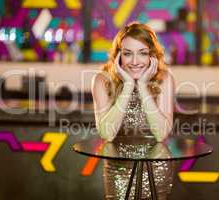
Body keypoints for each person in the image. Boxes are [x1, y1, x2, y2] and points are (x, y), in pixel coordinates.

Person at [91, 21, 175, 199]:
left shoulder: (164, 78)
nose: (135, 61)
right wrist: (128, 85)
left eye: (142, 53)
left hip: (156, 170)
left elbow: (161, 134)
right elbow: (107, 134)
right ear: (118, 56)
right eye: (128, 54)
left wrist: (143, 86)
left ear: (152, 56)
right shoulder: (102, 80)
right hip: (117, 170)